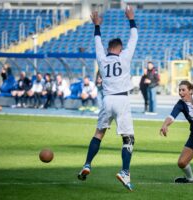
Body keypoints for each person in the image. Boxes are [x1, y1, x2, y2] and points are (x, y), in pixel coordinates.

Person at [77, 7, 138, 191]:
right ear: (119, 48)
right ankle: (125, 172)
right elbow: (134, 38)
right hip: (122, 100)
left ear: (109, 48)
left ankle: (87, 164)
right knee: (128, 139)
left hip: (107, 100)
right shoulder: (125, 57)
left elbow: (97, 41)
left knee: (99, 134)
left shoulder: (102, 59)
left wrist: (97, 26)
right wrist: (131, 20)